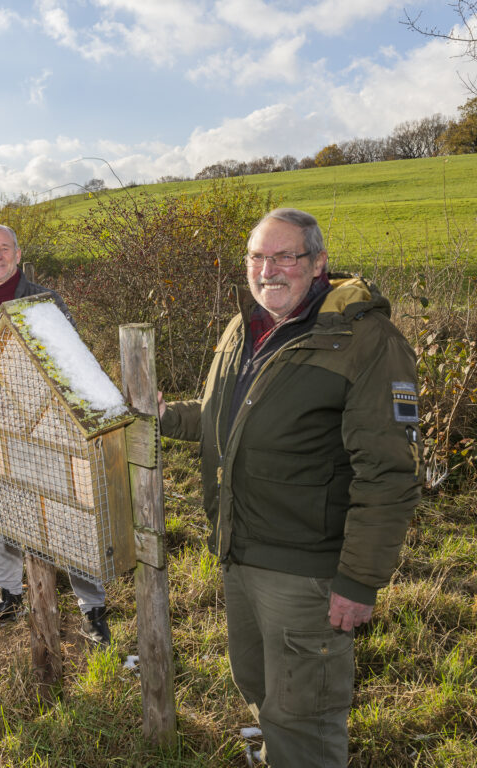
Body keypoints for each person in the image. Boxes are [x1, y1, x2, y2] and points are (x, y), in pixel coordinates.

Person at [158, 208, 421, 767]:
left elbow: (389, 472)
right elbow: (219, 417)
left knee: (305, 713)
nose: (268, 269)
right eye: (257, 257)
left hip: (307, 569)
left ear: (319, 263)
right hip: (238, 548)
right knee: (256, 680)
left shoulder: (364, 340)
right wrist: (163, 417)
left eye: (285, 256)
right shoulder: (242, 326)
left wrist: (358, 579)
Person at [0, 223, 112, 646]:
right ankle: (11, 593)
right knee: (3, 508)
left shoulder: (45, 300)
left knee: (69, 511)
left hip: (47, 421)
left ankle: (93, 608)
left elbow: (72, 356)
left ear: (17, 254)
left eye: (4, 248)